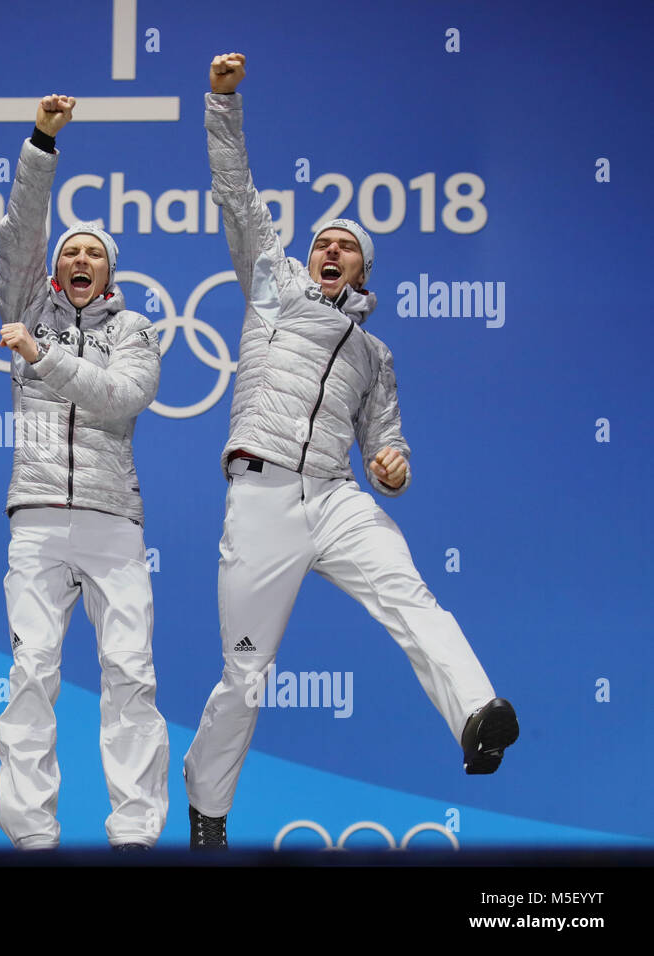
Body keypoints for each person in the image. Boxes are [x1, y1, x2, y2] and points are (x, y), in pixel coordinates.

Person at [182, 54, 519, 850]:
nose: (331, 251)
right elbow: (236, 192)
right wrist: (222, 101)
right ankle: (206, 800)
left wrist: (394, 470)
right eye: (323, 242)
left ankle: (477, 715)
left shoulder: (376, 356)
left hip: (334, 497)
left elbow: (387, 442)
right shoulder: (272, 285)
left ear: (366, 270)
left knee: (413, 598)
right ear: (306, 257)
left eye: (348, 246)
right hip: (262, 496)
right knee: (247, 673)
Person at [0, 94, 169, 851]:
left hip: (112, 521)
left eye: (92, 252)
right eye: (69, 251)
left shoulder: (134, 329)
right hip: (35, 516)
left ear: (111, 269)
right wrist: (42, 142)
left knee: (129, 672)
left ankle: (134, 832)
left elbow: (121, 397)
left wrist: (46, 358)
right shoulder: (26, 306)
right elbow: (19, 230)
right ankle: (31, 836)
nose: (77, 259)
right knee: (32, 671)